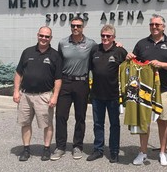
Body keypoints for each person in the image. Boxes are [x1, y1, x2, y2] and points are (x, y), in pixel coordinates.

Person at [126, 14, 167, 166]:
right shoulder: (142, 43)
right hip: (144, 90)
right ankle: (142, 152)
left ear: (163, 26)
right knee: (144, 122)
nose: (154, 27)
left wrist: (161, 64)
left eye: (157, 24)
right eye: (152, 24)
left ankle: (163, 152)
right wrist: (129, 57)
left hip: (163, 90)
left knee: (163, 121)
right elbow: (134, 61)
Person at [13, 26, 62, 161]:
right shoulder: (27, 52)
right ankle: (26, 149)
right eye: (42, 35)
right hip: (25, 96)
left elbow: (58, 79)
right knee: (25, 123)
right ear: (37, 35)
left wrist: (55, 96)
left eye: (47, 36)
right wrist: (16, 91)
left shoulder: (55, 55)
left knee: (47, 124)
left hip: (44, 96)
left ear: (50, 38)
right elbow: (18, 73)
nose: (44, 38)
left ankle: (46, 149)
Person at [51, 16, 96, 161]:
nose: (75, 28)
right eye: (73, 26)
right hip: (65, 83)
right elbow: (58, 64)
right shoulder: (63, 43)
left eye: (78, 26)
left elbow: (103, 51)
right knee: (60, 116)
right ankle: (60, 147)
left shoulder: (91, 44)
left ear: (83, 27)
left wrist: (117, 44)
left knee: (80, 117)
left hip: (81, 83)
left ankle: (77, 146)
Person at [86, 24, 127, 163]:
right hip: (97, 95)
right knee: (98, 124)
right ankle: (98, 149)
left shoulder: (120, 52)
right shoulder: (95, 50)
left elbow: (130, 67)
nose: (105, 38)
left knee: (114, 124)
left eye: (108, 36)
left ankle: (114, 151)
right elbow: (90, 68)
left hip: (113, 95)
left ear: (113, 38)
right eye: (103, 35)